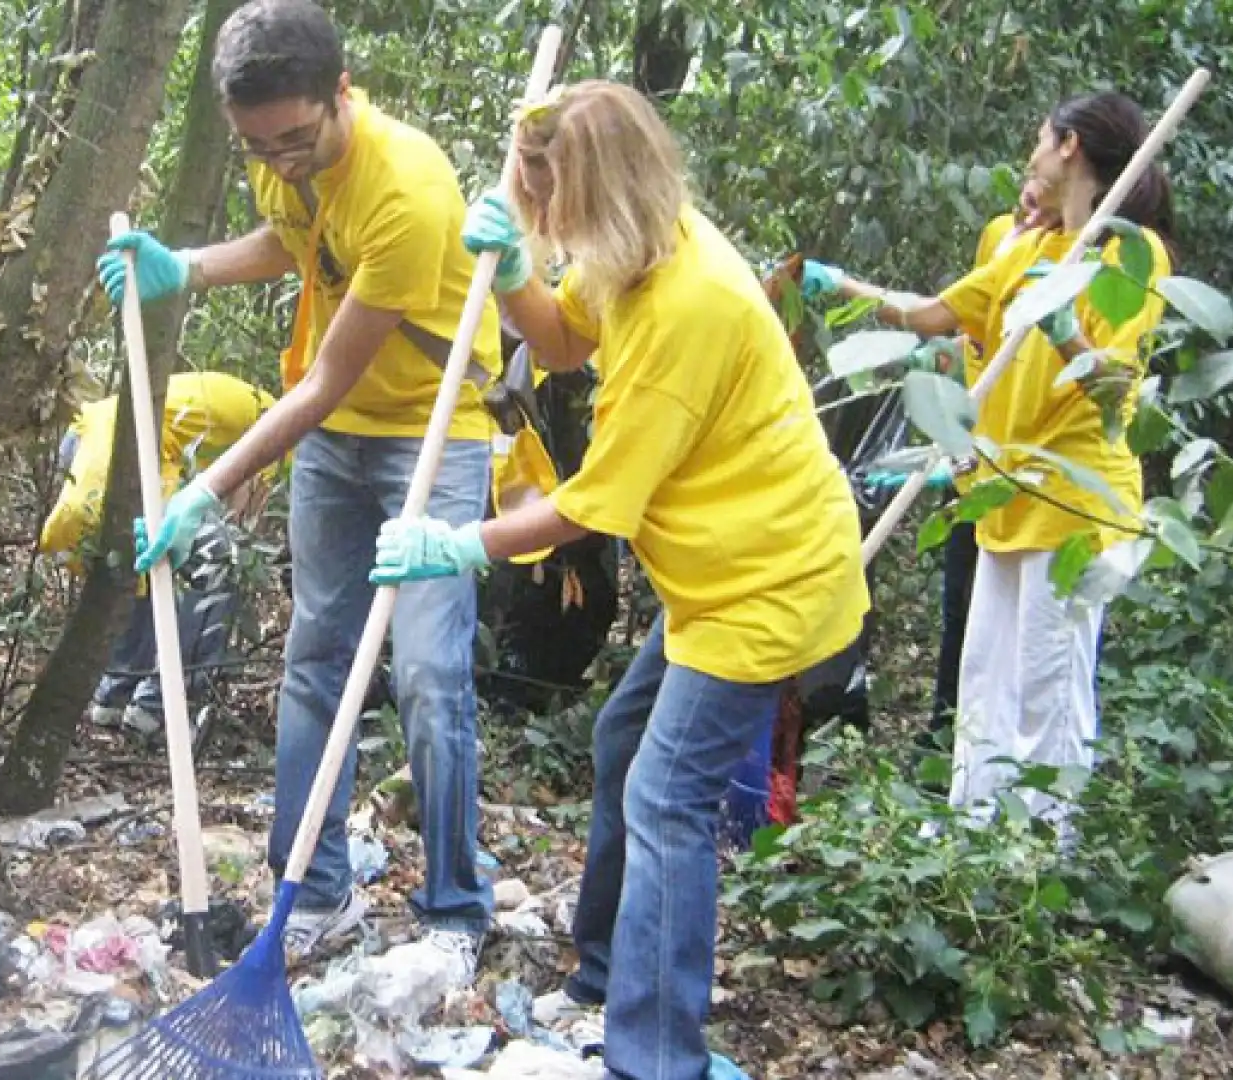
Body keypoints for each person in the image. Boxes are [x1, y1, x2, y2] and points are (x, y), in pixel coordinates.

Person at [371, 81, 870, 1079]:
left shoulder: (690, 307)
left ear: (592, 193)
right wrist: (515, 272)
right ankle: (604, 977)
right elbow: (557, 340)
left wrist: (461, 543)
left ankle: (657, 1058)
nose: (543, 222)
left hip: (767, 581)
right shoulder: (629, 249)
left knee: (670, 797)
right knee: (623, 742)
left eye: (545, 205)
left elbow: (597, 507)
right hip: (714, 571)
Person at [100, 0, 503, 974]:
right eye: (256, 143)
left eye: (293, 138)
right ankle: (316, 889)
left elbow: (328, 382)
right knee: (315, 660)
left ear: (340, 95)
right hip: (337, 442)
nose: (276, 158)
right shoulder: (275, 144)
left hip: (431, 436)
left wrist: (207, 486)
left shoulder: (407, 192)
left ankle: (455, 909)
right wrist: (185, 268)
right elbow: (295, 241)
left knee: (428, 674)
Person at [800, 90, 1173, 824]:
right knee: (983, 684)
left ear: (1068, 146)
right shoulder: (1028, 247)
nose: (1031, 153)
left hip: (1075, 504)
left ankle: (1042, 856)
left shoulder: (1132, 254)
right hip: (1003, 493)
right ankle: (975, 844)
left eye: (1040, 137)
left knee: (1048, 692)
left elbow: (1113, 387)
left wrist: (1063, 326)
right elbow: (931, 314)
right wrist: (834, 283)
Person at [859, 177, 1059, 738]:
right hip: (973, 470)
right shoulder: (1002, 237)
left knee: (1030, 655)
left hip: (1032, 478)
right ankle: (945, 746)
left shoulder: (1080, 257)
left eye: (1039, 168)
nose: (1029, 185)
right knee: (964, 622)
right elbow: (959, 322)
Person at [38, 371, 274, 733]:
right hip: (126, 446)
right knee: (219, 558)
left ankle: (115, 695)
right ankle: (160, 705)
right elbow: (242, 514)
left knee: (152, 557)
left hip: (87, 434)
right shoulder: (285, 431)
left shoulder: (256, 404)